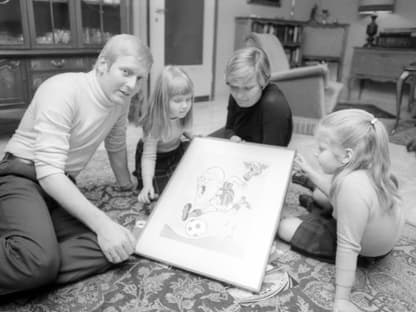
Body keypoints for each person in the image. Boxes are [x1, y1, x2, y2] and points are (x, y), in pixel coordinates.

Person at [0, 34, 153, 296]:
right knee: (49, 256)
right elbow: (48, 173)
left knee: (116, 247)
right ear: (103, 64)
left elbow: (115, 144)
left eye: (139, 78)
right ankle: (34, 263)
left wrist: (127, 185)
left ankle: (33, 265)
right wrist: (103, 224)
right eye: (126, 72)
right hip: (22, 176)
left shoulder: (120, 101)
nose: (132, 85)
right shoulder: (61, 88)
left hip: (61, 186)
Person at [277, 109, 404, 312]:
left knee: (284, 226)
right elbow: (334, 190)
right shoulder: (368, 166)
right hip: (379, 237)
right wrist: (309, 169)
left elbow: (348, 246)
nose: (316, 152)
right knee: (320, 195)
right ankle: (313, 198)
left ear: (346, 155)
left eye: (322, 148)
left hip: (366, 251)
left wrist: (342, 299)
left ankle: (315, 208)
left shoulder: (351, 186)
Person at [134, 65, 195, 204]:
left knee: (193, 161)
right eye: (178, 100)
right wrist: (147, 184)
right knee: (160, 191)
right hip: (156, 158)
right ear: (162, 100)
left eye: (188, 99)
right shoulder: (155, 124)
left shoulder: (181, 114)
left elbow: (183, 129)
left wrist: (194, 138)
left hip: (174, 151)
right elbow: (149, 157)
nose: (185, 105)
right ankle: (149, 182)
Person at [211, 46, 292, 147]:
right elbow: (229, 129)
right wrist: (231, 137)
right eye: (234, 87)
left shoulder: (274, 105)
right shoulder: (237, 91)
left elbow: (273, 155)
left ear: (265, 82)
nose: (239, 96)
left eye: (248, 88)